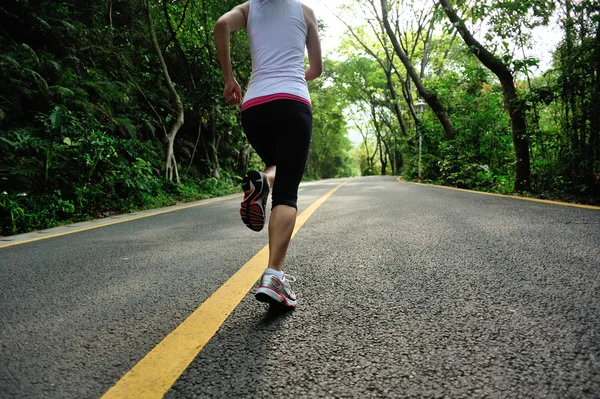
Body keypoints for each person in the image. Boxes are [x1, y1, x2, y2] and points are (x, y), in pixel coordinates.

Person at [214, 0, 322, 308]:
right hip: (292, 103)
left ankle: (263, 180)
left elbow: (221, 26)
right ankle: (274, 276)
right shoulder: (305, 12)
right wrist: (294, 76)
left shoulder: (249, 9)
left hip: (255, 106)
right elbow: (315, 69)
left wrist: (229, 80)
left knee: (277, 166)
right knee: (287, 192)